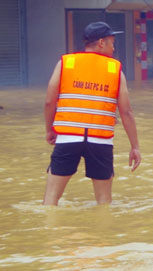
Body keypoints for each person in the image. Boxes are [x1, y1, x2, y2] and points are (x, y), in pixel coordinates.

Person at [43, 22, 141, 205]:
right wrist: (135, 146)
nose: (114, 48)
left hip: (67, 139)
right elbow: (126, 112)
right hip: (100, 141)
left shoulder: (66, 63)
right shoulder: (115, 69)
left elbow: (49, 102)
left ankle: (49, 232)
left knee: (51, 199)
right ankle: (102, 233)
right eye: (112, 43)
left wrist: (49, 130)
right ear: (101, 43)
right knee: (104, 201)